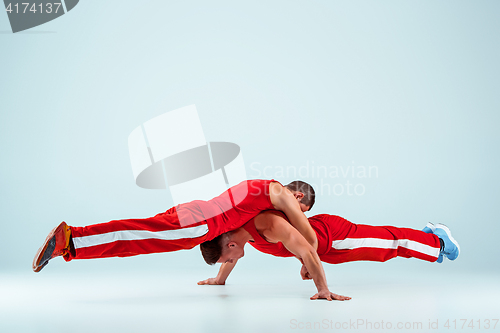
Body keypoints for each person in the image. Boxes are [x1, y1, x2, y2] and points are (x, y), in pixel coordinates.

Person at [32, 179, 320, 272]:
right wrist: (308, 262)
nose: (296, 214)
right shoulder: (282, 195)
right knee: (136, 237)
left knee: (137, 239)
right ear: (297, 197)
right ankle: (70, 240)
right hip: (202, 223)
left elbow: (235, 244)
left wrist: (220, 278)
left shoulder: (261, 194)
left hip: (195, 211)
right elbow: (308, 236)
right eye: (301, 209)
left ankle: (72, 243)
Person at [197, 210, 460, 299]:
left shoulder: (266, 225)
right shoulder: (242, 235)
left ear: (230, 245)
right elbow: (301, 251)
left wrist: (323, 289)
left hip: (332, 237)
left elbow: (307, 249)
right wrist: (220, 280)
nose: (230, 263)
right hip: (326, 249)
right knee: (382, 245)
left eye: (227, 259)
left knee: (386, 245)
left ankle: (437, 241)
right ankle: (424, 239)